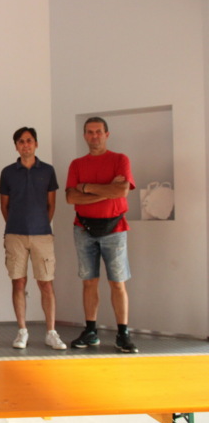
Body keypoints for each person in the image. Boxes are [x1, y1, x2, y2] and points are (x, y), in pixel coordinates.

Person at [66, 116, 138, 353]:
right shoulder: (77, 164)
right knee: (89, 282)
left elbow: (122, 190)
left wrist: (87, 188)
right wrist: (108, 190)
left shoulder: (120, 159)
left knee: (117, 282)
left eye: (98, 131)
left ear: (107, 134)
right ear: (84, 136)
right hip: (83, 229)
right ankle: (91, 331)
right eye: (90, 132)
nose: (94, 136)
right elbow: (71, 197)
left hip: (114, 229)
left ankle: (123, 334)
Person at [0, 127, 66, 350]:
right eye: (21, 141)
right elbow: (4, 206)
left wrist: (40, 225)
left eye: (29, 140)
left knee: (46, 283)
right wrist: (16, 225)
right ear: (16, 146)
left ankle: (51, 332)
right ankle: (22, 331)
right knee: (18, 282)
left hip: (42, 235)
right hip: (15, 235)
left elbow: (51, 204)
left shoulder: (47, 170)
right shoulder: (8, 172)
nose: (25, 144)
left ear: (36, 144)